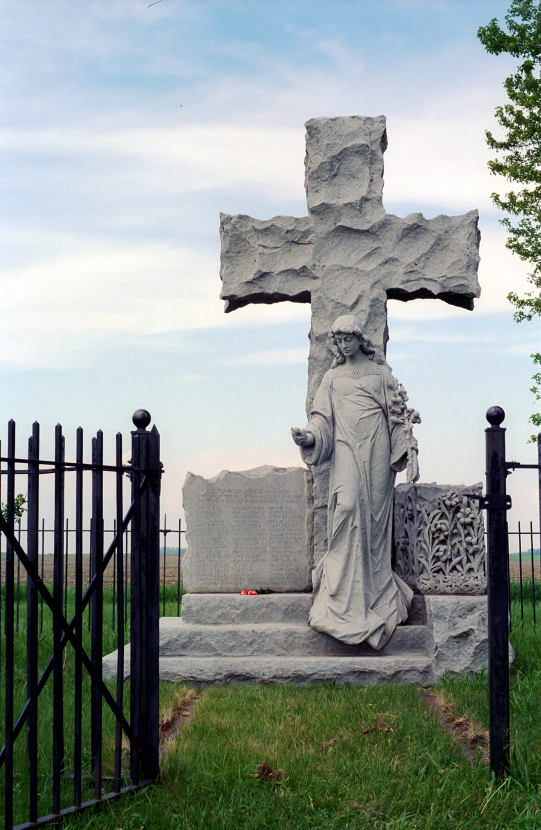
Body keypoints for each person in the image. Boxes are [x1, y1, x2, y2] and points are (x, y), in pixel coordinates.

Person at [292, 315, 420, 649]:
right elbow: (321, 419)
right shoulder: (332, 378)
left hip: (377, 455)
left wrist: (406, 443)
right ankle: (341, 599)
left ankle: (374, 591)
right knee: (346, 509)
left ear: (360, 339)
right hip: (346, 451)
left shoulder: (381, 375)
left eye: (348, 338)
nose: (343, 345)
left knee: (374, 527)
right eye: (338, 340)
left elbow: (396, 416)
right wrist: (308, 437)